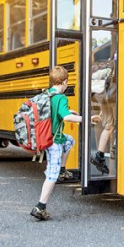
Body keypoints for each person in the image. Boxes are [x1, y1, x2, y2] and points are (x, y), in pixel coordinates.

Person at [30, 65, 98, 221]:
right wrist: (86, 119)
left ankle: (62, 169)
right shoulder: (61, 97)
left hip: (49, 137)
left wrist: (70, 111)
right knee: (51, 176)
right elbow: (65, 117)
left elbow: (59, 112)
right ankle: (40, 206)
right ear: (65, 82)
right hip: (53, 142)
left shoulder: (48, 94)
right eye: (67, 82)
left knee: (69, 140)